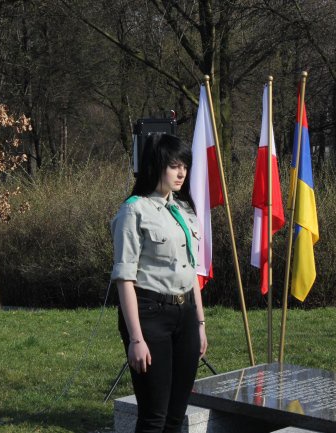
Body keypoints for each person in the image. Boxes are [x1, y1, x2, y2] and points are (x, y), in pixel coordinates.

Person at [111, 133, 208, 433]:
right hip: (149, 314)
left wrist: (200, 324)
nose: (181, 173)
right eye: (174, 165)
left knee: (176, 417)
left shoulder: (184, 211)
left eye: (185, 166)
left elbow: (191, 271)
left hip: (185, 315)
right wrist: (136, 339)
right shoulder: (134, 210)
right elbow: (124, 278)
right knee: (154, 416)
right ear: (157, 166)